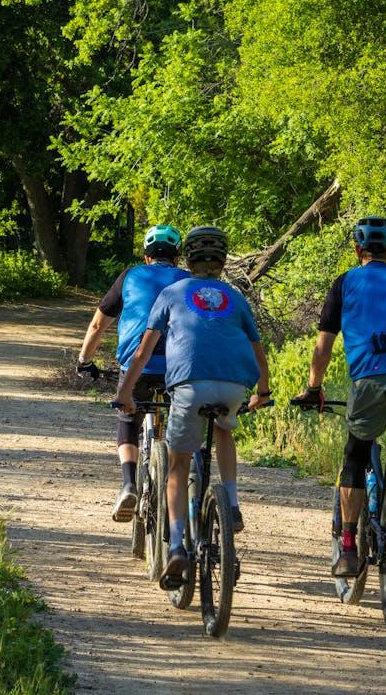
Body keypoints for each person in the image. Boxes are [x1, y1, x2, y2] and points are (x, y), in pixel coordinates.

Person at [114, 226, 271, 587]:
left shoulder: (171, 292)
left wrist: (125, 391)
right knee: (224, 429)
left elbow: (142, 350)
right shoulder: (235, 296)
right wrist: (263, 391)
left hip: (187, 384)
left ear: (188, 260)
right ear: (222, 262)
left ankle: (178, 547)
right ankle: (230, 505)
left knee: (178, 463)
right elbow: (257, 351)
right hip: (234, 385)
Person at [291, 216, 386, 578]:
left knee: (356, 454)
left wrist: (314, 387)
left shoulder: (345, 283)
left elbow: (323, 346)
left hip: (373, 374)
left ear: (357, 250)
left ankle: (346, 547)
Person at [78, 224, 190, 522]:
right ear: (177, 256)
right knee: (185, 419)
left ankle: (129, 484)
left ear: (146, 255)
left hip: (136, 366)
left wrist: (84, 359)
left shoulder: (131, 276)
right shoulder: (189, 280)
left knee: (128, 416)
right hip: (180, 368)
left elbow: (98, 325)